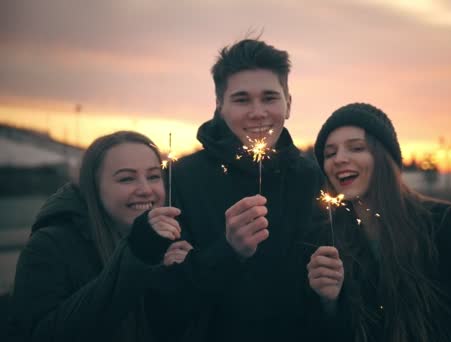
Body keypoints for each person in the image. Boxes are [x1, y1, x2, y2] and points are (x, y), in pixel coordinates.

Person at [143, 38, 325, 341]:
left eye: (269, 98)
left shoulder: (313, 178)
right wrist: (228, 251)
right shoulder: (178, 179)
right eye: (242, 100)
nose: (257, 112)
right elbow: (162, 304)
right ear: (219, 106)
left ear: (288, 104)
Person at [307, 103, 451, 341]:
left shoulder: (442, 224)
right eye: (329, 153)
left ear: (385, 157)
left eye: (356, 147)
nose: (340, 159)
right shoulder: (326, 239)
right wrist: (328, 303)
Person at [9, 131, 185, 342]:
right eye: (126, 178)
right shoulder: (49, 246)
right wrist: (136, 258)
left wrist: (176, 280)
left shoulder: (166, 242)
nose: (146, 189)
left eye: (154, 176)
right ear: (93, 187)